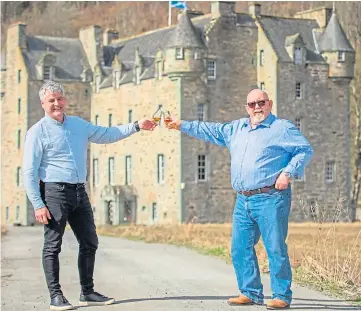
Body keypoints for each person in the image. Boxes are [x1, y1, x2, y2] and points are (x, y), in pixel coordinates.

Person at [166, 89, 314, 310]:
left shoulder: (281, 128)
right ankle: (251, 292)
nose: (257, 107)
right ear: (247, 107)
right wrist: (181, 124)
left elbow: (304, 150)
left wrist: (288, 173)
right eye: (252, 104)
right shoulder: (237, 128)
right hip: (243, 200)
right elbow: (209, 129)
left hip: (271, 197)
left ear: (269, 104)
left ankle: (282, 295)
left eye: (261, 102)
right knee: (239, 247)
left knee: (274, 247)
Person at [23, 81, 157, 311]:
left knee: (89, 242)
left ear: (65, 100)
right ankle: (56, 295)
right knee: (52, 246)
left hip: (79, 191)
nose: (57, 103)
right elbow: (29, 171)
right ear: (43, 104)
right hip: (54, 192)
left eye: (59, 99)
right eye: (51, 100)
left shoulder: (77, 124)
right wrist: (38, 203)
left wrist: (136, 126)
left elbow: (107, 134)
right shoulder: (37, 132)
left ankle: (87, 292)